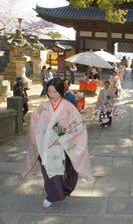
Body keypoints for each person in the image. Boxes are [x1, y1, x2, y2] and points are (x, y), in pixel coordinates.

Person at [22, 78, 93, 208]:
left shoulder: (68, 107)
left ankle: (64, 191)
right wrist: (43, 137)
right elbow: (36, 124)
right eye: (49, 92)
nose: (52, 95)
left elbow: (77, 126)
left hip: (62, 145)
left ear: (60, 91)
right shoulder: (42, 108)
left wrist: (62, 138)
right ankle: (53, 196)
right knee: (48, 171)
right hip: (46, 144)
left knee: (65, 171)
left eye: (55, 92)